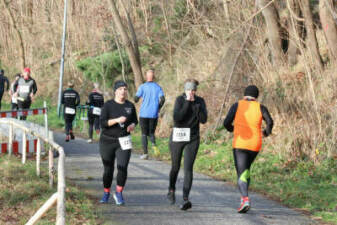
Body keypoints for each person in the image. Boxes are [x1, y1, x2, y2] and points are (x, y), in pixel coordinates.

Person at [223, 85, 273, 213]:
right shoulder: (261, 107)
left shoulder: (237, 105)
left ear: (244, 95)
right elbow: (270, 122)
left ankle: (245, 199)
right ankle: (243, 198)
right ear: (256, 96)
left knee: (241, 173)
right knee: (246, 170)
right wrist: (266, 133)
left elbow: (226, 122)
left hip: (240, 144)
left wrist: (232, 129)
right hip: (255, 144)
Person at [167, 79, 207, 211]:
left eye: (193, 90)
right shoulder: (180, 100)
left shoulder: (200, 101)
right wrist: (187, 103)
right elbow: (177, 118)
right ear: (185, 90)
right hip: (178, 136)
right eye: (189, 90)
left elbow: (203, 120)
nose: (191, 92)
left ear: (196, 90)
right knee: (175, 166)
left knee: (188, 168)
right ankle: (171, 189)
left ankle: (185, 198)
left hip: (193, 137)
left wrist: (197, 107)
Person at [99, 80, 138, 205]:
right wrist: (116, 120)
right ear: (115, 91)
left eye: (125, 89)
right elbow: (103, 124)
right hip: (107, 141)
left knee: (123, 167)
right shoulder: (108, 105)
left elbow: (134, 121)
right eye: (120, 89)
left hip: (124, 141)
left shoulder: (130, 106)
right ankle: (106, 193)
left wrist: (132, 125)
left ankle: (119, 193)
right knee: (108, 170)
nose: (123, 91)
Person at [134, 69, 165, 159]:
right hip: (153, 114)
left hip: (143, 114)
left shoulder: (142, 87)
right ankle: (155, 147)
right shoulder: (158, 87)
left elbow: (135, 99)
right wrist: (158, 107)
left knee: (144, 133)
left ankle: (145, 154)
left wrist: (137, 98)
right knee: (151, 133)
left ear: (146, 77)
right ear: (153, 77)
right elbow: (162, 99)